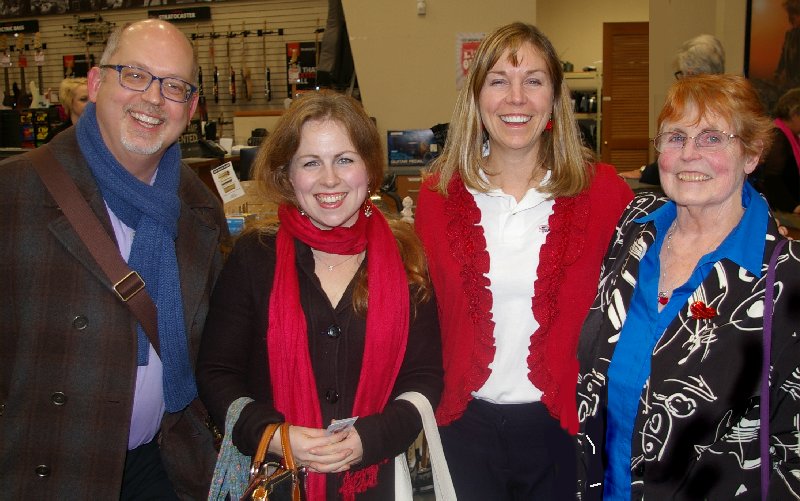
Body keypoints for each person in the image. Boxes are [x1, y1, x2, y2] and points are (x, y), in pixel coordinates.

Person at [0, 19, 228, 499]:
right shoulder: (14, 193)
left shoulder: (199, 207)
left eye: (174, 86)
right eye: (135, 75)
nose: (152, 98)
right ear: (97, 82)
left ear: (189, 108)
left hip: (165, 467)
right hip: (47, 471)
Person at [414, 22, 633, 500]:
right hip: (462, 429)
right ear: (476, 98)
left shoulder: (604, 195)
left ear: (554, 99)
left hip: (564, 429)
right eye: (498, 81)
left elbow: (672, 251)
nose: (516, 98)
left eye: (533, 81)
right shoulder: (437, 198)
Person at [197, 90, 443, 500]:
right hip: (276, 481)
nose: (330, 179)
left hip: (377, 480)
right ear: (288, 175)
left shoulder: (407, 259)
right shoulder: (254, 258)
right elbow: (216, 372)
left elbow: (425, 377)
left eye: (344, 159)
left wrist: (373, 437)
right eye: (311, 162)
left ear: (369, 168)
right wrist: (273, 434)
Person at [576, 74, 800, 499]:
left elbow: (793, 452)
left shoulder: (787, 279)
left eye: (712, 138)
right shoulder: (633, 230)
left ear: (751, 154)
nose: (689, 155)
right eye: (675, 137)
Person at [621, 33, 725, 185]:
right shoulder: (730, 103)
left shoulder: (697, 108)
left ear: (691, 74)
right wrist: (644, 172)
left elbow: (679, 155)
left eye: (682, 74)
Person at [754, 87, 800, 213]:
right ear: (795, 114)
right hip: (781, 210)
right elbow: (772, 178)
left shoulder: (791, 137)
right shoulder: (778, 135)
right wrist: (793, 207)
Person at [44, 77, 89, 143]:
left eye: (94, 98)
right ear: (69, 102)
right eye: (84, 99)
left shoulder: (102, 132)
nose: (91, 103)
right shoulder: (57, 136)